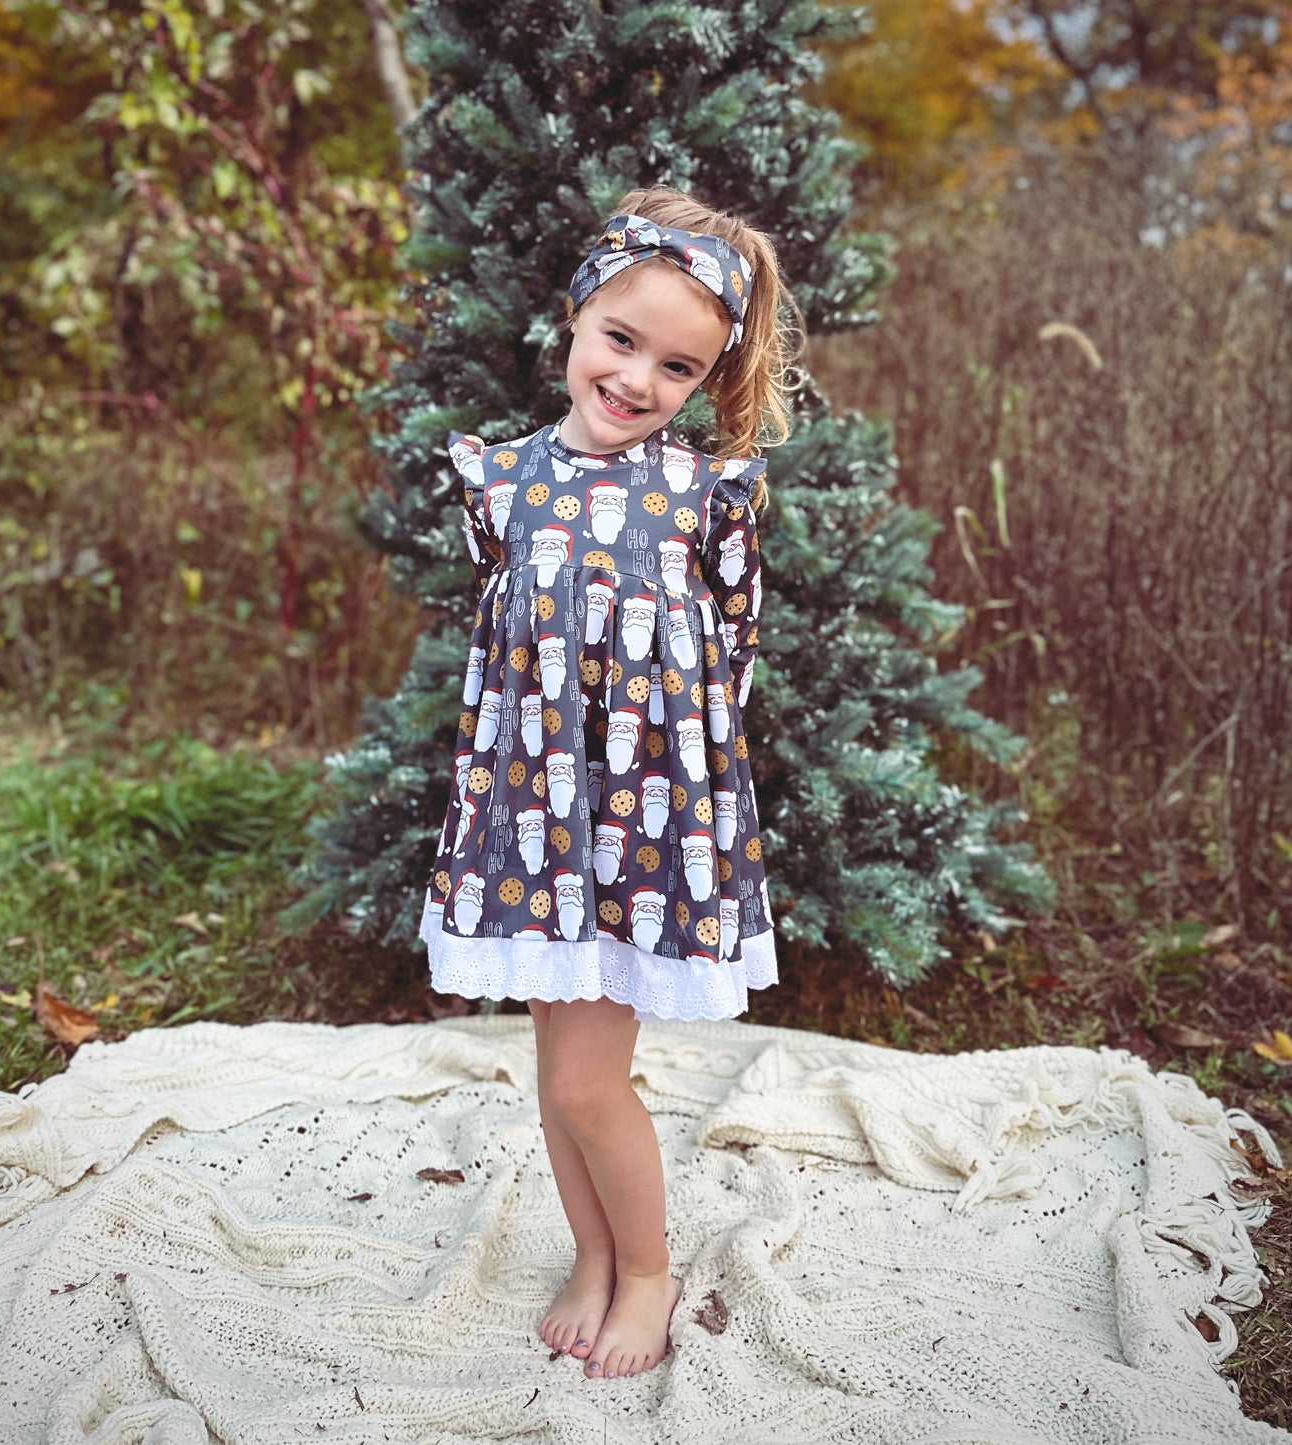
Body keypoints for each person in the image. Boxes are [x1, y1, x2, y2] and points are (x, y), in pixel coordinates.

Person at [419, 187, 797, 1381]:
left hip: (639, 827)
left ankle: (648, 1269)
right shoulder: (498, 479)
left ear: (702, 381)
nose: (635, 379)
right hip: (529, 814)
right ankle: (593, 1255)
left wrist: (668, 775)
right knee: (556, 1066)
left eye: (675, 366)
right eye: (619, 341)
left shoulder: (704, 493)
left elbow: (728, 646)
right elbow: (511, 637)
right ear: (577, 317)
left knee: (589, 1077)